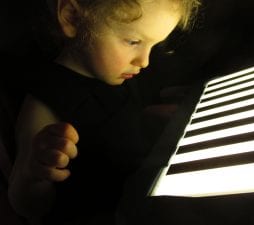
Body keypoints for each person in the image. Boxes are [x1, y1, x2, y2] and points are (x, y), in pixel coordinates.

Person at [8, 0, 201, 224]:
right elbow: (24, 205)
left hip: (140, 190)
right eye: (133, 41)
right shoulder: (45, 104)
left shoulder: (115, 72)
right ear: (72, 17)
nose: (144, 61)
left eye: (154, 45)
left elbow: (114, 120)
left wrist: (152, 115)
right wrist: (35, 172)